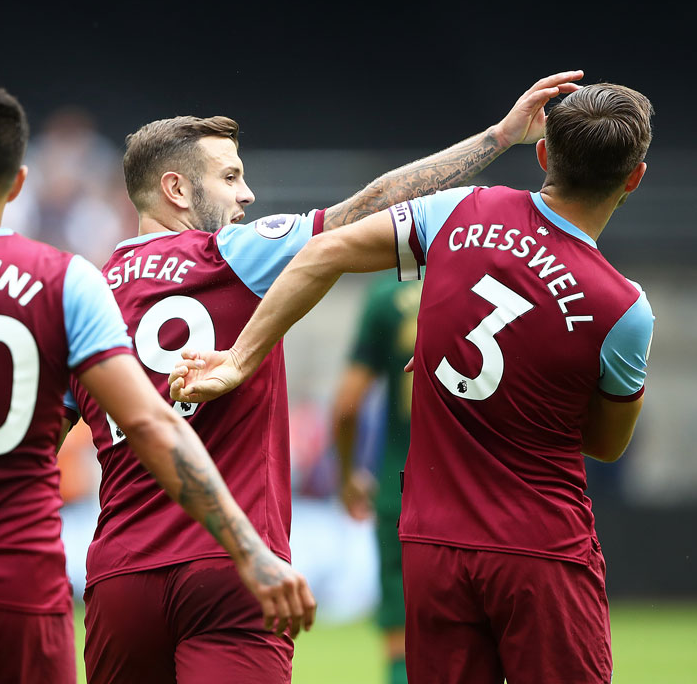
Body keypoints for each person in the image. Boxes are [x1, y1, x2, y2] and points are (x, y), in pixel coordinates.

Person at [66, 70, 583, 684]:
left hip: (119, 576)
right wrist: (499, 137)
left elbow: (36, 439)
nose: (247, 195)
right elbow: (373, 207)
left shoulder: (85, 296)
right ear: (176, 189)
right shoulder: (232, 253)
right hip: (229, 567)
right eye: (230, 177)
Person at [170, 81, 654, 684]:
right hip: (541, 545)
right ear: (633, 177)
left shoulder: (462, 211)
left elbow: (322, 253)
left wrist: (240, 360)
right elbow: (604, 443)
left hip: (432, 543)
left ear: (542, 156)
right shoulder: (624, 308)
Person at [0, 85, 312, 684]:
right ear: (17, 183)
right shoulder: (64, 282)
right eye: (232, 177)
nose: (246, 194)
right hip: (27, 584)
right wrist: (247, 548)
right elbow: (147, 421)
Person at [331, 276, 421, 684]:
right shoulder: (497, 281)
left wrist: (348, 476)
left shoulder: (389, 298)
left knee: (402, 639)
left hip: (403, 487)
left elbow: (347, 405)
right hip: (482, 489)